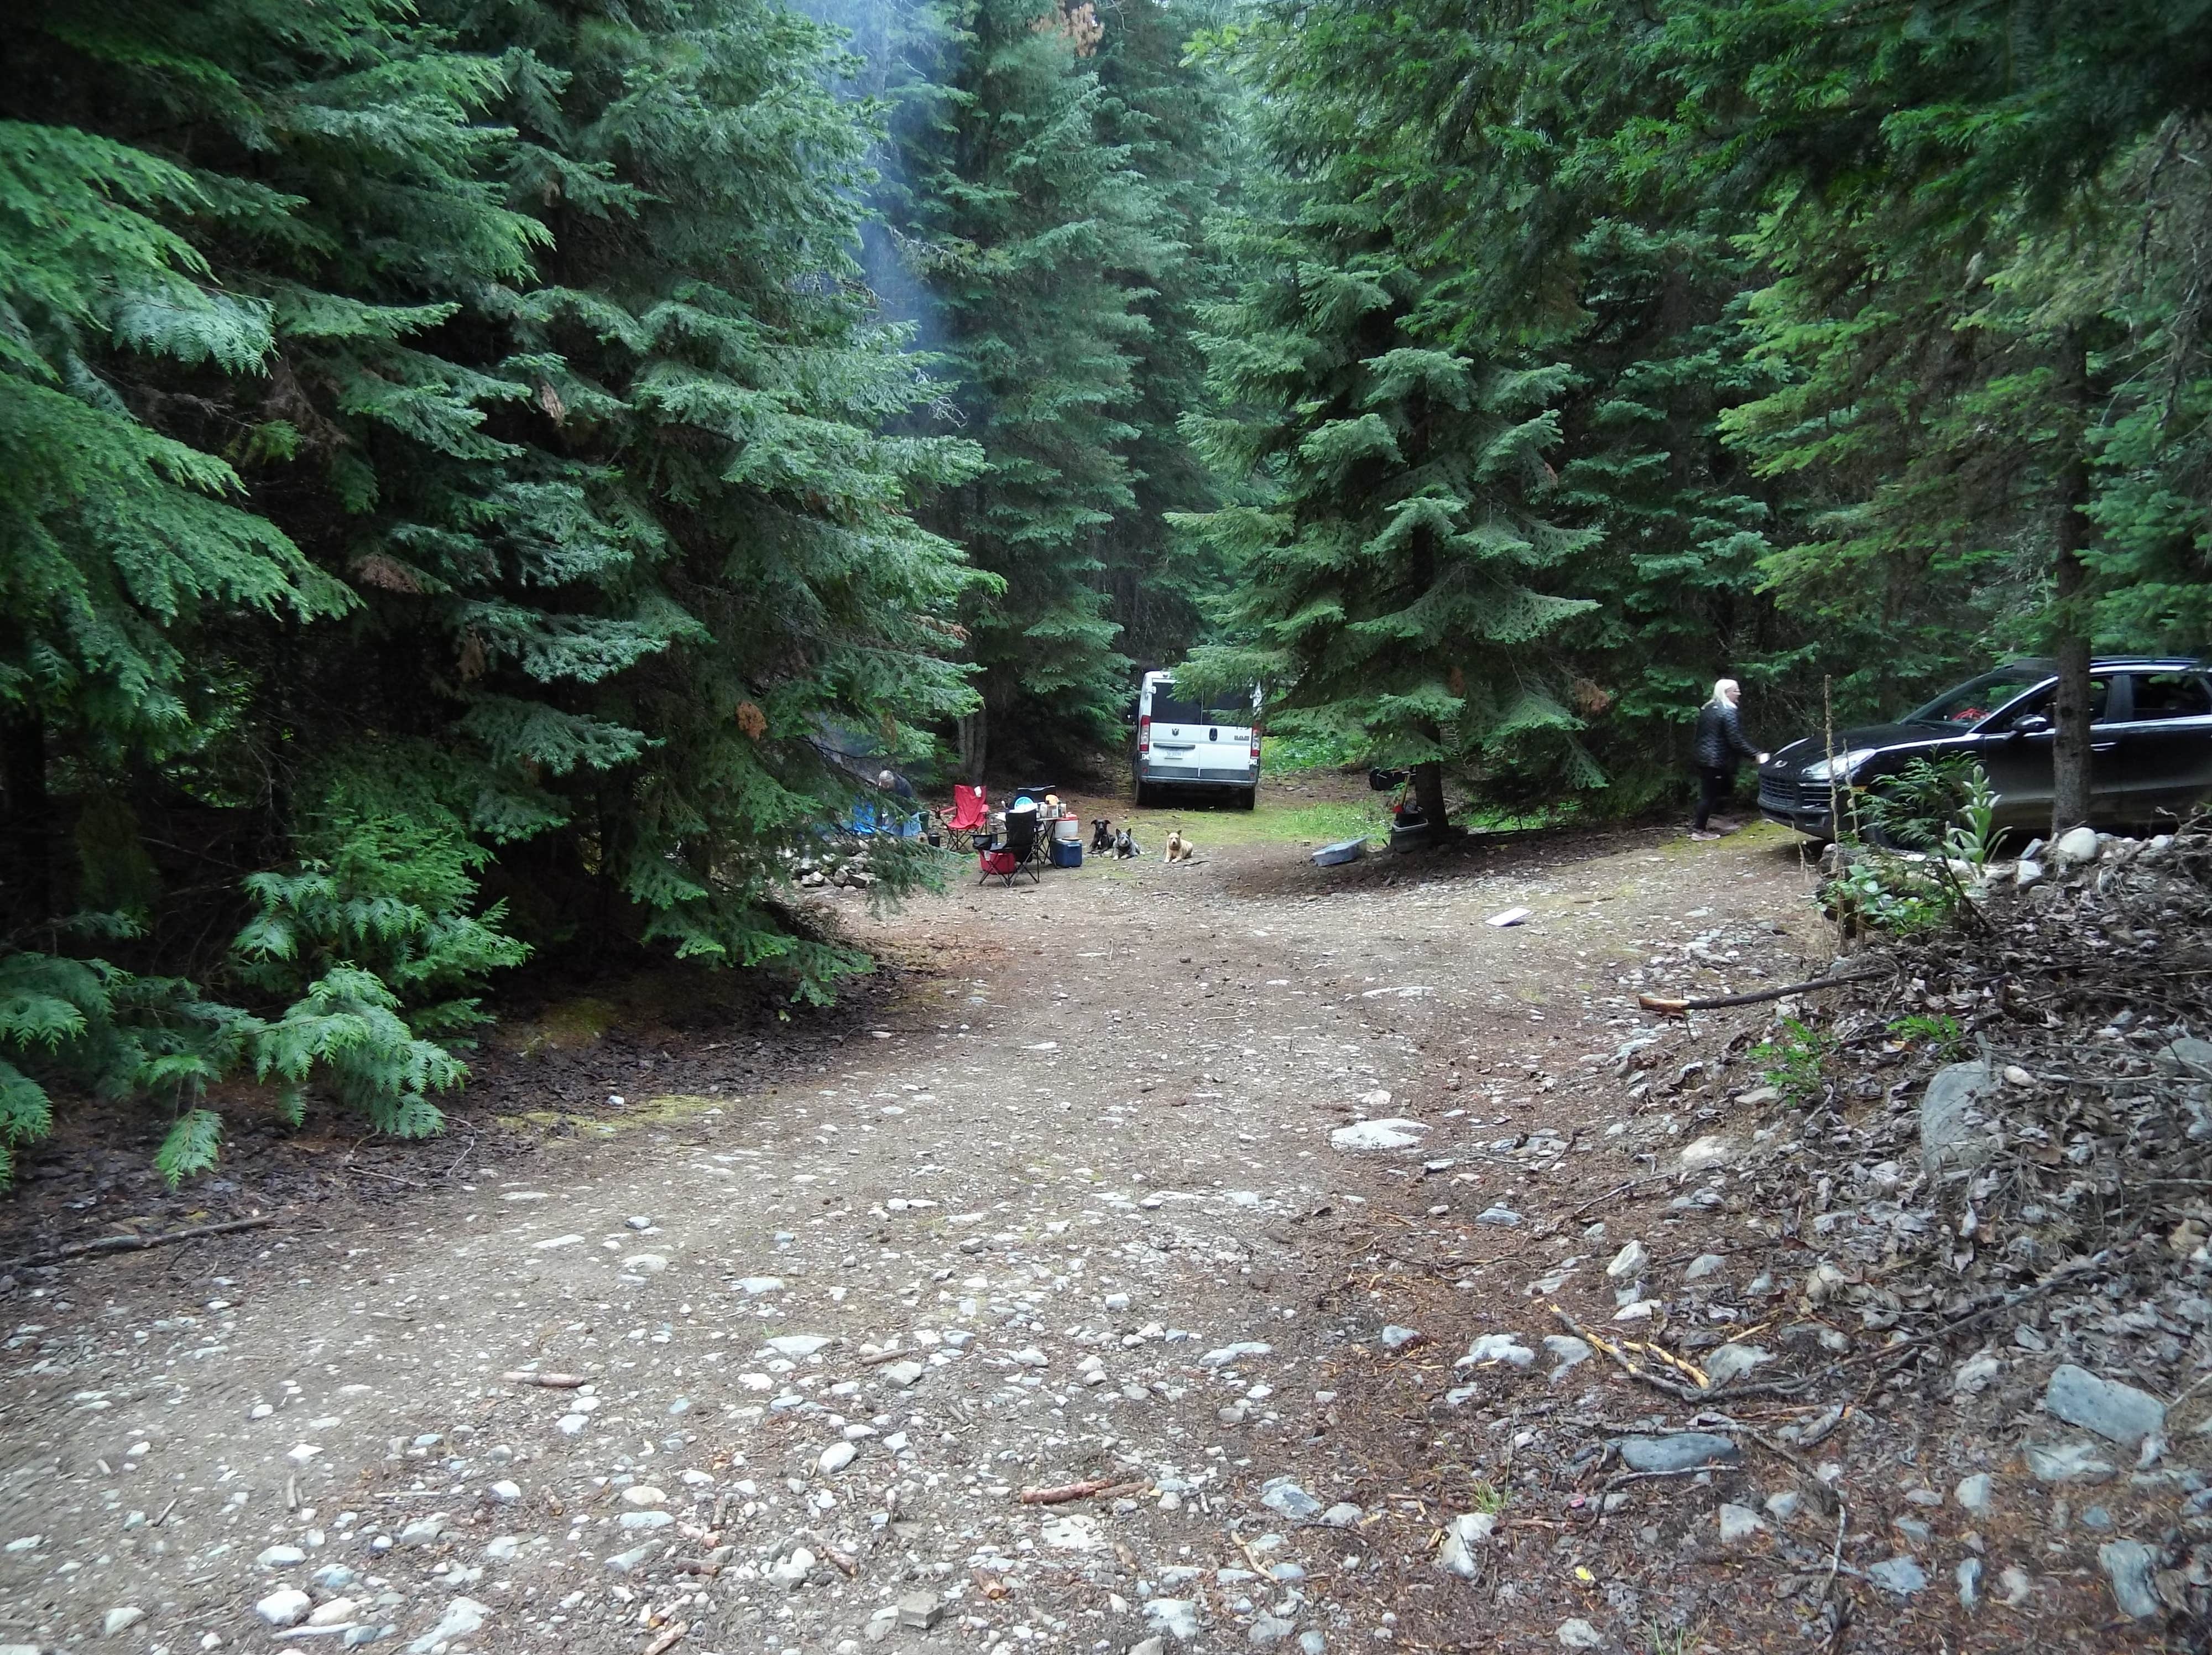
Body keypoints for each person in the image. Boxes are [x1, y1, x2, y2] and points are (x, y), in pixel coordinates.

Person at [1691, 678, 1767, 840]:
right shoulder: (1728, 711)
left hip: (1706, 757)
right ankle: (1699, 831)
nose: (1739, 693)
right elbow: (1736, 740)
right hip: (1715, 760)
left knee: (1724, 788)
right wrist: (1756, 754)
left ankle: (1718, 821)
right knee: (1709, 795)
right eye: (1735, 691)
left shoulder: (1708, 708)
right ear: (1726, 693)